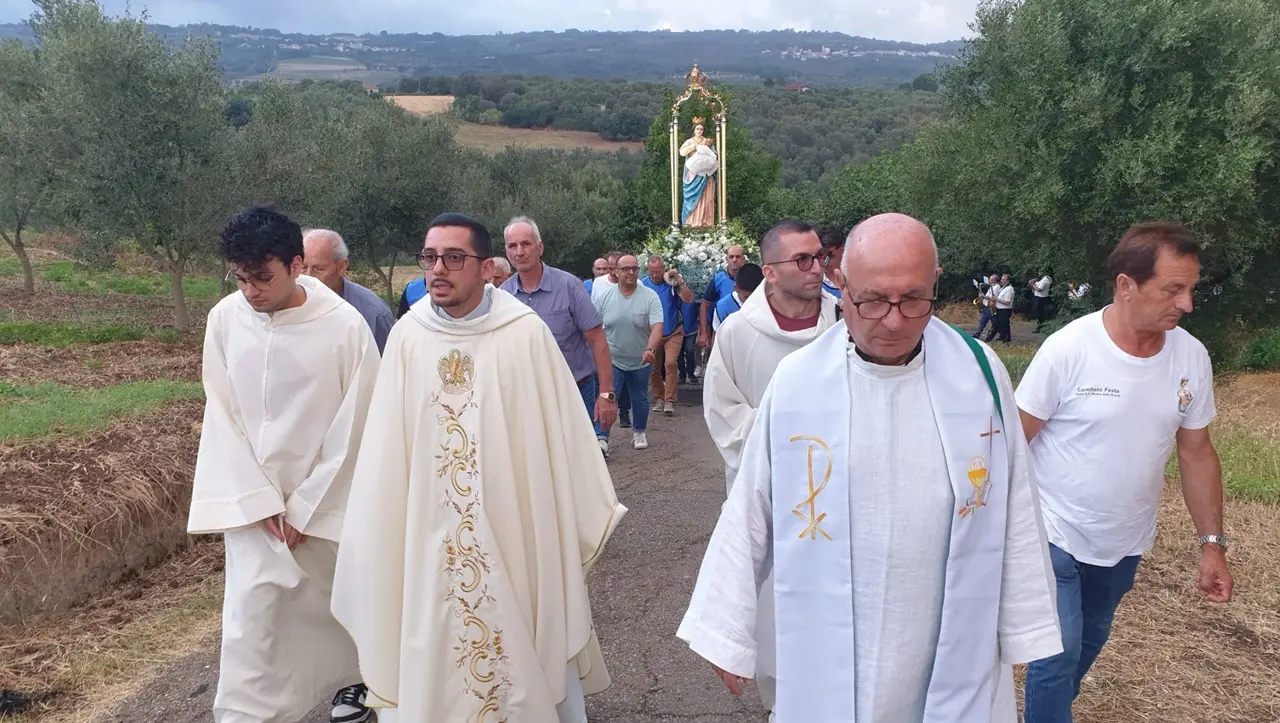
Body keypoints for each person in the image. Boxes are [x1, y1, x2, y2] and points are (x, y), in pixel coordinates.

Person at [678, 212, 1061, 723]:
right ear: (841, 284)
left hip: (946, 629)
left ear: (936, 285)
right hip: (831, 637)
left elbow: (1014, 498)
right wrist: (726, 628)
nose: (895, 319)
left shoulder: (979, 371)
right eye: (874, 300)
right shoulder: (799, 381)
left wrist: (1025, 623)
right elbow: (752, 504)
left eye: (914, 299)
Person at [331, 212, 627, 723]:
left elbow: (559, 442)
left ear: (486, 267)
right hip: (428, 532)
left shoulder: (524, 335)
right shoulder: (408, 336)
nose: (438, 269)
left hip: (515, 527)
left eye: (453, 257)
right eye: (429, 257)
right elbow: (386, 445)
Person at [1018, 222, 1232, 722]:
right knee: (1058, 652)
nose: (1187, 305)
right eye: (1173, 289)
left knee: (1090, 641)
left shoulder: (1190, 357)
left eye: (1191, 289)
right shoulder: (1069, 350)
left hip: (1123, 541)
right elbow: (1011, 442)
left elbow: (1197, 452)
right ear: (1125, 285)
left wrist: (1212, 544)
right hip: (1053, 528)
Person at [189, 205, 381, 723]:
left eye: (262, 278)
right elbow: (222, 411)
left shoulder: (345, 328)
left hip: (325, 510)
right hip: (255, 509)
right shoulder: (225, 320)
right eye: (241, 278)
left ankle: (359, 686)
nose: (251, 291)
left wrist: (306, 506)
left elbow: (358, 422)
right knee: (252, 624)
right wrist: (257, 499)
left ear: (297, 265)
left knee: (340, 619)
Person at [698, 222, 839, 717]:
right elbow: (723, 414)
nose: (816, 267)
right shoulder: (738, 331)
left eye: (819, 257)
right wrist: (793, 432)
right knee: (777, 624)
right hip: (772, 502)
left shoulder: (844, 322)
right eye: (803, 260)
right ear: (772, 272)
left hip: (843, 496)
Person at [501, 216, 618, 456]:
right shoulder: (503, 296)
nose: (519, 252)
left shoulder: (568, 286)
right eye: (512, 246)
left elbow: (597, 341)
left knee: (578, 462)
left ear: (540, 247)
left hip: (574, 392)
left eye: (526, 244)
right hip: (527, 398)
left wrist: (606, 394)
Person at [594, 254, 664, 450]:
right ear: (616, 272)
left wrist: (651, 349)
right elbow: (595, 328)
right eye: (625, 269)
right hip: (613, 359)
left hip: (640, 359)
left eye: (634, 268)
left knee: (640, 398)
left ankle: (639, 432)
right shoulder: (604, 297)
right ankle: (602, 438)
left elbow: (657, 326)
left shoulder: (649, 296)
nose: (631, 272)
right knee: (607, 396)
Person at [302, 228, 396, 354]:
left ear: (342, 267)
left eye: (318, 269)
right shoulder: (287, 308)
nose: (308, 277)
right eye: (303, 268)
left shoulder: (373, 315)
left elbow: (386, 369)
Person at [641, 255, 695, 416]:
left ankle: (669, 400)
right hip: (652, 332)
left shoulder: (671, 283)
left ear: (663, 269)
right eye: (652, 272)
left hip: (673, 331)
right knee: (654, 366)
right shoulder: (643, 285)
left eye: (658, 271)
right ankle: (659, 397)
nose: (655, 275)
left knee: (670, 363)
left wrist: (679, 281)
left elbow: (689, 299)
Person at [698, 245, 747, 348]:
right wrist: (703, 333)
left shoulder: (751, 278)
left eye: (738, 257)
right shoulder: (718, 279)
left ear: (743, 259)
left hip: (745, 331)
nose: (734, 260)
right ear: (727, 259)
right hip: (721, 330)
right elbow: (704, 306)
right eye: (731, 257)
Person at [712, 262, 764, 333]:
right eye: (746, 297)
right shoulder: (722, 307)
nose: (750, 301)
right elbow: (717, 335)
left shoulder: (766, 302)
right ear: (736, 288)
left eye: (755, 296)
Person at [817, 224, 845, 301]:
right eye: (820, 256)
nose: (825, 262)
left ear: (842, 249)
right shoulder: (814, 283)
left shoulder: (858, 275)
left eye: (830, 256)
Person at [677, 294, 700, 385]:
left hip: (691, 330)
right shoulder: (676, 299)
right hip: (678, 331)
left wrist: (699, 330)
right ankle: (682, 375)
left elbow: (698, 314)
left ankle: (691, 373)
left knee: (690, 351)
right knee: (679, 354)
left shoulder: (694, 299)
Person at [974, 273, 1000, 339]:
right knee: (983, 322)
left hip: (990, 307)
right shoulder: (992, 287)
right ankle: (977, 334)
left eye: (991, 280)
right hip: (987, 306)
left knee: (994, 323)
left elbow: (992, 297)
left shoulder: (996, 287)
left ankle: (998, 335)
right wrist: (981, 297)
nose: (989, 281)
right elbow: (988, 295)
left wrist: (984, 296)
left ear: (995, 280)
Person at [991, 272, 1015, 343]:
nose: (1001, 280)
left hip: (1005, 310)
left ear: (1007, 281)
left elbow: (1007, 302)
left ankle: (1006, 340)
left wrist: (997, 299)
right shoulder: (1003, 288)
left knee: (1004, 325)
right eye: (1001, 279)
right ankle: (1003, 337)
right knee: (1001, 325)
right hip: (1000, 309)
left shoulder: (1009, 289)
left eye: (1003, 279)